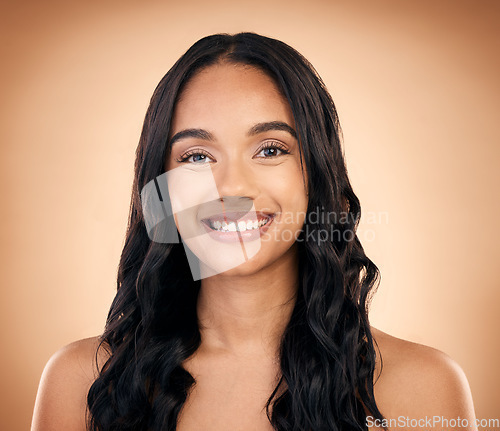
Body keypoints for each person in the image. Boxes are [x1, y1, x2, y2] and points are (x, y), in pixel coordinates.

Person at [31, 32, 477, 431]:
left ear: (316, 175)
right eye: (197, 157)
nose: (232, 188)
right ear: (162, 189)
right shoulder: (80, 382)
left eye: (269, 149)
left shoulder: (425, 389)